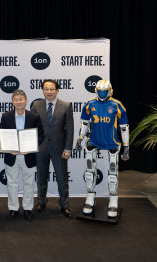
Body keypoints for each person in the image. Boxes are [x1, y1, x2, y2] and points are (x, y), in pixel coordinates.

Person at [76, 79, 130, 218]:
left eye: (104, 91)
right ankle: (90, 197)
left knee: (113, 171)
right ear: (96, 91)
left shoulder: (117, 105)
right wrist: (80, 138)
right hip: (93, 140)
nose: (102, 93)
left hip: (111, 141)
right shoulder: (90, 104)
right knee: (90, 169)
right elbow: (85, 123)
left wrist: (126, 146)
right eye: (100, 91)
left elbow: (124, 127)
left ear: (110, 91)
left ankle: (113, 199)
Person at [31, 79, 74, 218]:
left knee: (62, 178)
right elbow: (32, 127)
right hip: (40, 148)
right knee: (41, 176)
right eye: (46, 89)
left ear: (57, 90)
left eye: (52, 89)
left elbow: (70, 129)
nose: (49, 92)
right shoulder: (36, 105)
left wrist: (68, 148)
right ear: (42, 90)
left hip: (59, 148)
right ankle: (41, 202)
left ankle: (65, 205)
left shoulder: (66, 106)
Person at [0, 89, 41, 220]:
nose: (19, 102)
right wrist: (8, 148)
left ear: (26, 101)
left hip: (28, 155)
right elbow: (2, 135)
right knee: (12, 183)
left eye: (21, 99)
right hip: (11, 155)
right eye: (16, 99)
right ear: (12, 102)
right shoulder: (6, 116)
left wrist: (31, 147)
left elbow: (40, 136)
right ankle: (13, 208)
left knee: (29, 183)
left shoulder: (34, 117)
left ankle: (28, 208)